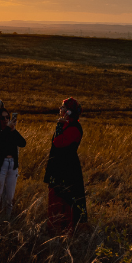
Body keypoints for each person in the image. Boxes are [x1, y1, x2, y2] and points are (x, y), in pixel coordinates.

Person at [45, 98, 87, 233]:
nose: (60, 110)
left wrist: (58, 127)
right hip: (58, 165)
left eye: (63, 108)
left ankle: (66, 228)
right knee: (56, 195)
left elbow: (58, 143)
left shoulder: (74, 127)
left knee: (66, 197)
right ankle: (55, 226)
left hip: (67, 168)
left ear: (69, 111)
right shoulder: (67, 125)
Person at [0, 108, 26, 214]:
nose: (6, 119)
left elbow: (22, 143)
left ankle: (6, 220)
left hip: (12, 165)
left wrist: (13, 130)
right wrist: (7, 129)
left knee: (9, 198)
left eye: (7, 117)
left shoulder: (11, 132)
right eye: (2, 118)